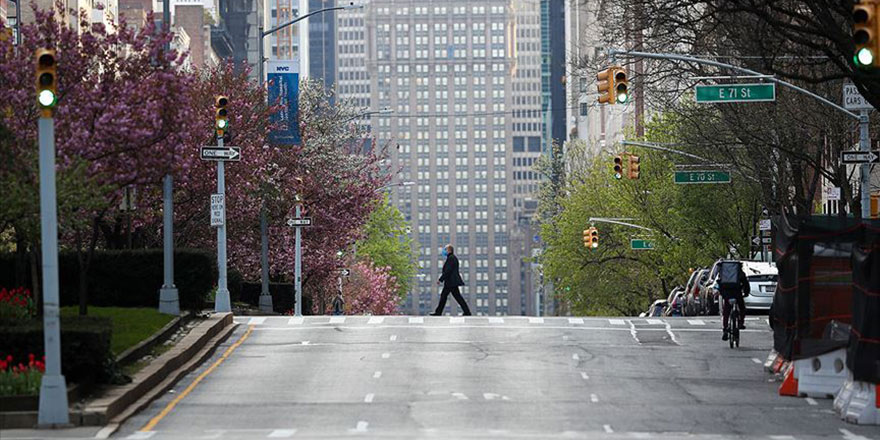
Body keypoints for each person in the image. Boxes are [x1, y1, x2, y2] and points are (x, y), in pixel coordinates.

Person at [430, 244, 472, 316]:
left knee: (445, 296)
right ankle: (467, 312)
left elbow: (448, 270)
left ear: (449, 250)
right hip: (451, 282)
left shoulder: (451, 258)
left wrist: (441, 279)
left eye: (445, 249)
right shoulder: (452, 258)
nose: (444, 251)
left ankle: (438, 312)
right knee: (456, 297)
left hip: (451, 282)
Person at [720, 261, 750, 341]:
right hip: (737, 293)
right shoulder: (740, 273)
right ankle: (741, 323)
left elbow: (719, 284)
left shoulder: (723, 273)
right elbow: (745, 284)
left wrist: (722, 293)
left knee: (726, 311)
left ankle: (725, 329)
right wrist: (746, 293)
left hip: (727, 293)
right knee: (742, 308)